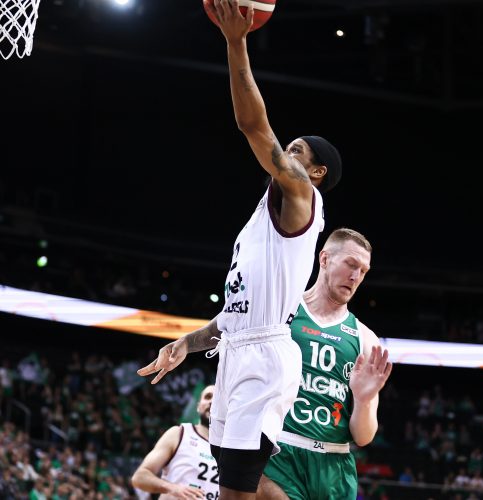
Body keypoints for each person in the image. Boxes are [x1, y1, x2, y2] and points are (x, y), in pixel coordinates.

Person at [137, 0, 342, 498]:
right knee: (235, 490)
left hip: (265, 359)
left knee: (238, 491)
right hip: (236, 352)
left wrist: (236, 41)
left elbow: (253, 127)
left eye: (296, 152)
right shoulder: (261, 221)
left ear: (314, 174)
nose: (284, 155)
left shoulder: (302, 198)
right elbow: (232, 318)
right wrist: (187, 342)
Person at [256, 228, 393, 500]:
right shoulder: (283, 310)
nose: (356, 277)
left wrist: (364, 400)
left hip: (335, 465)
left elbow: (363, 437)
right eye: (351, 265)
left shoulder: (365, 339)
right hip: (281, 453)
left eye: (363, 271)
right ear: (325, 259)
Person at [131, 384, 218, 499]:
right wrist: (173, 488)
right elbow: (139, 477)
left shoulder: (233, 450)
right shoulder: (179, 434)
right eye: (207, 397)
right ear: (198, 406)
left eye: (217, 398)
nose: (211, 401)